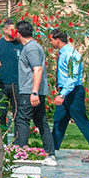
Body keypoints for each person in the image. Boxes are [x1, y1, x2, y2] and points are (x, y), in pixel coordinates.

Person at [49, 29, 89, 162]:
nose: (50, 42)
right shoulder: (63, 54)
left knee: (81, 121)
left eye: (51, 40)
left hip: (73, 93)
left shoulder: (72, 55)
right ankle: (51, 151)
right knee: (59, 121)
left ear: (58, 40)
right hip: (65, 91)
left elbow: (72, 78)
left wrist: (62, 95)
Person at [14, 20, 57, 166]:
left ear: (18, 34)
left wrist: (34, 92)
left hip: (30, 91)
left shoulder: (31, 48)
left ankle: (20, 153)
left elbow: (37, 69)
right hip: (35, 91)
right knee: (41, 121)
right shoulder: (32, 47)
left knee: (22, 120)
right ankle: (50, 154)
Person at [0, 18, 21, 140]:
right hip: (1, 84)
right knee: (1, 112)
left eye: (15, 30)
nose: (14, 32)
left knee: (18, 113)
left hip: (17, 83)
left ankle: (18, 143)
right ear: (5, 30)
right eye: (12, 30)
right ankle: (0, 140)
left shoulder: (20, 45)